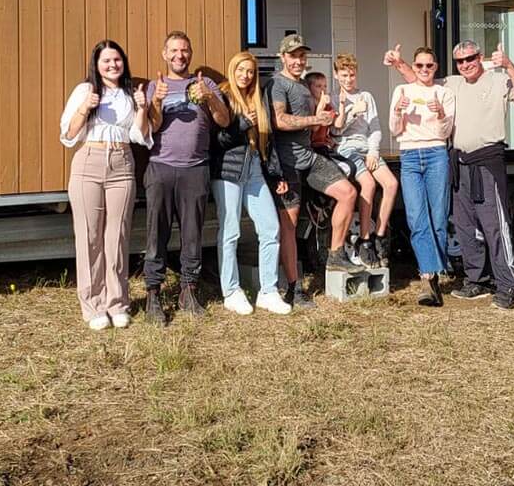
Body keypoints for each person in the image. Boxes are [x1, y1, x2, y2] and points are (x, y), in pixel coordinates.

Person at [386, 40, 514, 308]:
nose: (466, 64)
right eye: (460, 61)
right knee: (466, 225)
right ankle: (477, 279)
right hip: (459, 161)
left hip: (488, 159)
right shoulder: (452, 84)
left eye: (471, 58)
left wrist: (509, 65)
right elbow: (421, 78)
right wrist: (399, 64)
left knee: (494, 225)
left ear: (480, 57)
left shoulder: (499, 80)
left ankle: (507, 284)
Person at [59, 40, 152, 331]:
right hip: (89, 162)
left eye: (117, 60)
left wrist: (142, 108)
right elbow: (68, 134)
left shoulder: (129, 93)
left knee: (118, 236)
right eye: (106, 61)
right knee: (89, 237)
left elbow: (140, 135)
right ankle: (93, 305)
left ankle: (117, 303)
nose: (112, 65)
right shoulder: (85, 90)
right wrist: (84, 109)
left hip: (123, 164)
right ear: (96, 65)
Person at [268, 35, 364, 306]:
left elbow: (315, 125)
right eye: (293, 56)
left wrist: (328, 125)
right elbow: (279, 120)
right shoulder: (277, 84)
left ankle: (335, 255)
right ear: (282, 57)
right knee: (289, 224)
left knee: (347, 192)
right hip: (286, 163)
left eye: (301, 56)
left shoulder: (303, 86)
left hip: (309, 157)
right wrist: (315, 118)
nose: (298, 61)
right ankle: (294, 288)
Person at [143, 30, 231, 324]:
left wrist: (211, 99)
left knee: (192, 233)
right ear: (164, 54)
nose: (180, 55)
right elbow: (151, 129)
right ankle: (154, 294)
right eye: (174, 51)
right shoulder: (156, 86)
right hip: (161, 168)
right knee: (158, 232)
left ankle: (188, 290)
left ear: (190, 54)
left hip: (195, 168)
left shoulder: (204, 83)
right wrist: (155, 102)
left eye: (185, 51)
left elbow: (224, 120)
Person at [211, 51, 291, 316]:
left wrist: (277, 175)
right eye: (241, 70)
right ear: (232, 71)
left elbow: (268, 140)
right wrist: (243, 123)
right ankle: (231, 291)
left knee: (270, 228)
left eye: (250, 71)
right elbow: (218, 140)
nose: (245, 76)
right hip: (228, 172)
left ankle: (268, 291)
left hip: (255, 169)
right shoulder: (223, 95)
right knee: (230, 231)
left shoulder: (258, 98)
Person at [385, 45, 456, 306]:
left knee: (438, 216)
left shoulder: (444, 93)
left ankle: (432, 276)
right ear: (413, 67)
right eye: (419, 66)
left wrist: (439, 113)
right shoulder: (402, 90)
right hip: (410, 155)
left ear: (436, 68)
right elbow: (395, 130)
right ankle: (429, 274)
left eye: (429, 66)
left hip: (437, 153)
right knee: (416, 217)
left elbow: (446, 131)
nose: (424, 70)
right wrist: (398, 112)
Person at [332, 53, 399, 269]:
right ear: (336, 76)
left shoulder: (366, 96)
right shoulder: (334, 98)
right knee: (368, 184)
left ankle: (379, 235)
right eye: (344, 75)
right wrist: (351, 112)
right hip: (346, 148)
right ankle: (365, 239)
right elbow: (334, 131)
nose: (349, 79)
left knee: (391, 183)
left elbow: (375, 127)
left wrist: (373, 151)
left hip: (366, 148)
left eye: (351, 75)